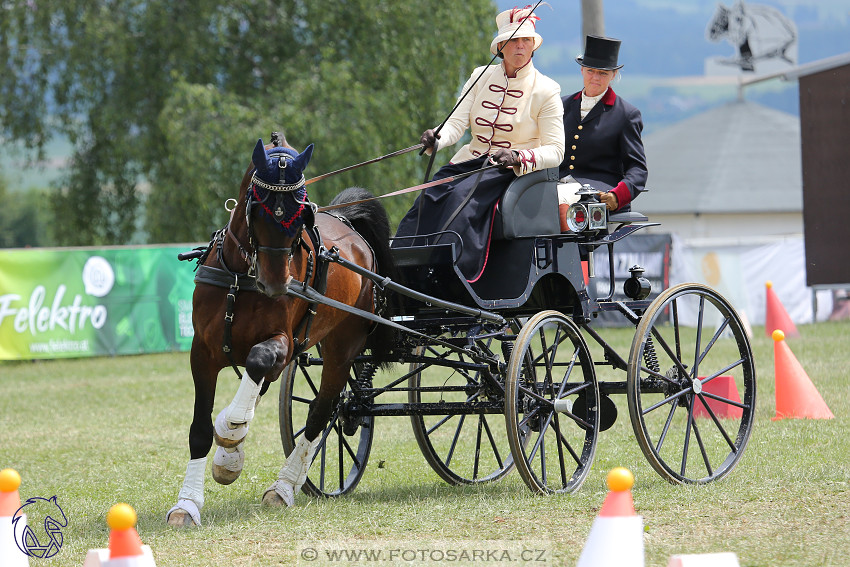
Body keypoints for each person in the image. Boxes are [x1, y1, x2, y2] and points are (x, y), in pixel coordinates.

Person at [394, 6, 565, 282]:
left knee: (461, 200)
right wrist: (436, 137)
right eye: (513, 40)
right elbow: (456, 123)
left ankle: (449, 276)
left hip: (510, 170)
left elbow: (556, 151)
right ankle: (400, 273)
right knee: (428, 198)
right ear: (500, 46)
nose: (520, 46)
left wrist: (519, 156)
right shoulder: (479, 77)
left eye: (526, 41)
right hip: (469, 162)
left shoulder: (547, 90)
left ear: (533, 46)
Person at [558, 35, 648, 231]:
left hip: (597, 193)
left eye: (603, 73)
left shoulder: (626, 114)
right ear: (582, 69)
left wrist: (617, 196)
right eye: (591, 71)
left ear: (613, 75)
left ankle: (571, 260)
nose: (595, 78)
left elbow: (638, 169)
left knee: (561, 204)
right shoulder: (561, 106)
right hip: (556, 184)